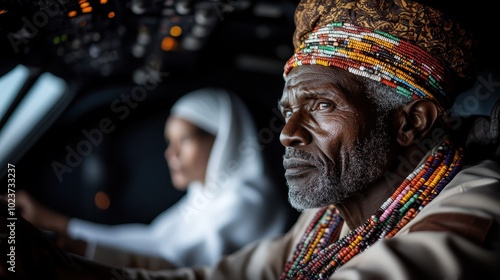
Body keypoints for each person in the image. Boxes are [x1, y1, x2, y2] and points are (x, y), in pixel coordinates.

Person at [2, 0, 500, 279]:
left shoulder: (479, 206)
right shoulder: (324, 222)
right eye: (287, 111)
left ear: (411, 122)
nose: (286, 132)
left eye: (322, 105)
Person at [10, 87, 292, 269]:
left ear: (223, 139)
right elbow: (150, 241)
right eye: (169, 141)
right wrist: (55, 224)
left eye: (185, 140)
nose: (171, 154)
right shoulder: (205, 197)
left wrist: (65, 237)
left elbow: (171, 263)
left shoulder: (247, 202)